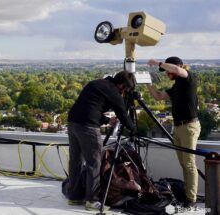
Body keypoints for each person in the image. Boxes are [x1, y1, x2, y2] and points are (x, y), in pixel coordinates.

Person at [65, 71, 136, 211]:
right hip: (88, 128)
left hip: (73, 123)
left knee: (76, 161)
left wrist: (108, 120)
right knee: (94, 163)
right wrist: (134, 129)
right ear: (122, 86)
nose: (125, 93)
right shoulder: (114, 91)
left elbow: (91, 108)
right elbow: (123, 115)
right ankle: (92, 201)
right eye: (126, 90)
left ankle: (74, 196)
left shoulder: (96, 83)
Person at [146, 56, 200, 209]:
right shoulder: (176, 86)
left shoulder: (190, 78)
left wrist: (158, 63)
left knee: (189, 164)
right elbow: (158, 97)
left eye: (167, 71)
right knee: (184, 164)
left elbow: (177, 70)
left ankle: (191, 199)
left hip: (189, 126)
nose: (166, 74)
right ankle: (188, 195)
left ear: (177, 66)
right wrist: (148, 84)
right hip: (178, 127)